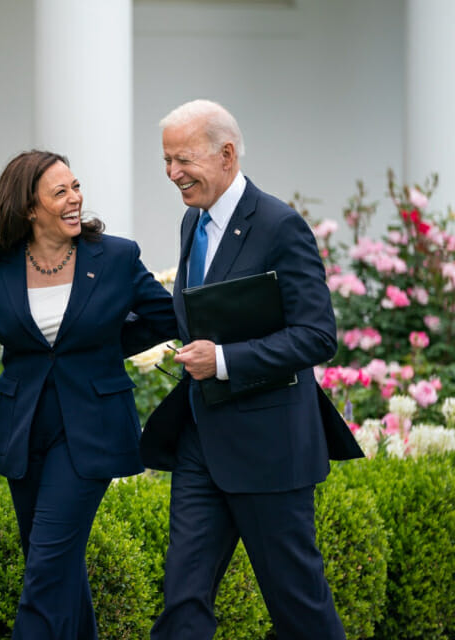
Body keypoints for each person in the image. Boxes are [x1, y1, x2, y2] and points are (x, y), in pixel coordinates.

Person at [0, 149, 177, 640]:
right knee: (54, 566)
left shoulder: (116, 256)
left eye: (76, 187)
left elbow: (164, 317)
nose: (75, 198)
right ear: (28, 208)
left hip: (92, 432)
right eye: (60, 192)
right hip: (24, 432)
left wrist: (104, 348)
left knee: (44, 570)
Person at [149, 100, 348, 639]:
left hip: (270, 448)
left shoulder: (281, 225)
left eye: (182, 159)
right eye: (166, 160)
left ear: (227, 154)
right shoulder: (192, 220)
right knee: (181, 603)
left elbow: (316, 335)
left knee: (299, 610)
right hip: (200, 445)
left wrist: (225, 360)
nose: (172, 173)